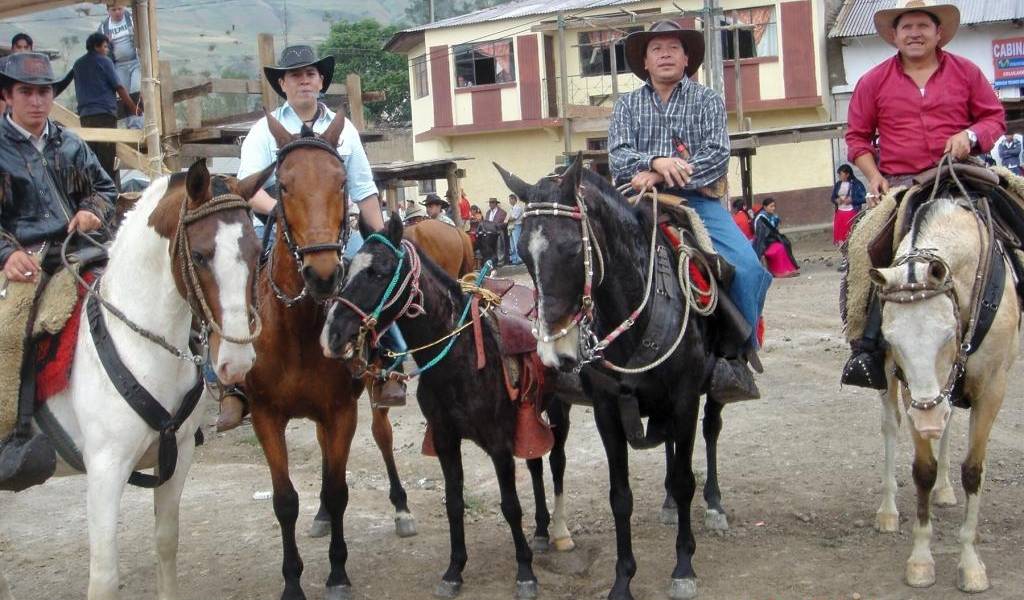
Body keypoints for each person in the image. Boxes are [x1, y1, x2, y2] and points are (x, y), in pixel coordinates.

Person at [229, 45, 400, 425]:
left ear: (321, 81)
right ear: (283, 84)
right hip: (278, 225)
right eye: (295, 75)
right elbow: (249, 186)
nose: (304, 79)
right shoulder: (263, 130)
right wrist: (284, 214)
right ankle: (236, 383)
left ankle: (385, 363)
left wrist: (384, 236)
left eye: (310, 73)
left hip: (335, 233)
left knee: (375, 277)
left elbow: (363, 188)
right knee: (238, 281)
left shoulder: (345, 130)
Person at [842, 0, 1005, 389]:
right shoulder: (873, 81)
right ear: (895, 35)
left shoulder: (967, 72)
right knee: (866, 245)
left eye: (922, 26)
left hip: (962, 175)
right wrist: (873, 176)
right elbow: (857, 138)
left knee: (1015, 213)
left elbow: (993, 118)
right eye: (906, 27)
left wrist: (969, 136)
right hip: (903, 184)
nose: (914, 33)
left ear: (938, 32)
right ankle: (865, 345)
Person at [610, 20, 771, 400]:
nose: (665, 54)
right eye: (656, 49)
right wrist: (655, 160)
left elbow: (716, 155)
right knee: (588, 258)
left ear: (686, 59)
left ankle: (736, 355)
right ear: (645, 62)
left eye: (673, 48)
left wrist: (667, 170)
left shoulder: (708, 100)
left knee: (749, 269)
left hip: (698, 201)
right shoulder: (627, 105)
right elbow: (618, 156)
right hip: (637, 201)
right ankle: (584, 351)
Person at [0, 53, 117, 484]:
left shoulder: (70, 142)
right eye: (26, 92)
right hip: (22, 259)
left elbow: (105, 187)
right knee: (9, 328)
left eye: (44, 91)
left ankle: (176, 411)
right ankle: (9, 433)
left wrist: (91, 210)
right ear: (8, 95)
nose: (36, 100)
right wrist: (5, 254)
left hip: (78, 250)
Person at [73, 32, 140, 184]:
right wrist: (133, 108)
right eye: (105, 46)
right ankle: (108, 190)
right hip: (105, 114)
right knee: (106, 158)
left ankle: (92, 188)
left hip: (85, 116)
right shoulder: (104, 61)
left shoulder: (78, 64)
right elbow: (119, 87)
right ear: (97, 47)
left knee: (91, 155)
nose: (107, 50)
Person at [97, 2, 143, 129]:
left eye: (119, 9)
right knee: (125, 96)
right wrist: (107, 44)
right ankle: (131, 126)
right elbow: (99, 51)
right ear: (108, 11)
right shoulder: (103, 28)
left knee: (136, 91)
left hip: (136, 62)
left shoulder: (133, 20)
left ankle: (139, 124)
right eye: (114, 9)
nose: (117, 12)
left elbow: (146, 34)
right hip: (119, 66)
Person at [753, 199, 799, 278]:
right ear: (765, 207)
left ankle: (789, 269)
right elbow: (762, 236)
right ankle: (779, 271)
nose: (773, 208)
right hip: (764, 243)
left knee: (785, 244)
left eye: (774, 206)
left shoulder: (773, 217)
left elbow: (775, 231)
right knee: (779, 248)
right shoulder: (761, 219)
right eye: (771, 206)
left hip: (772, 241)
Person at [830, 164, 866, 246]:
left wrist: (852, 200)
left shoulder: (857, 184)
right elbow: (832, 197)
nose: (839, 176)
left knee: (850, 235)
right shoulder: (838, 184)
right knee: (840, 237)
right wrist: (836, 200)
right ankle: (844, 256)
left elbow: (864, 198)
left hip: (851, 212)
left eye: (841, 174)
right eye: (838, 174)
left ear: (848, 174)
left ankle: (851, 253)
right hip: (840, 213)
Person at [485, 197, 508, 265]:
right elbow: (486, 222)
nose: (490, 204)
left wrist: (496, 226)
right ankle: (493, 261)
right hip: (489, 233)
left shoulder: (502, 212)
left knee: (499, 247)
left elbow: (505, 223)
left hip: (498, 232)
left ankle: (500, 261)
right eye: (490, 203)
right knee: (490, 248)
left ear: (496, 203)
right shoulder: (488, 212)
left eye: (492, 203)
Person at [506, 193, 524, 265]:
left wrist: (507, 219)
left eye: (510, 199)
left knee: (517, 243)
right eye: (509, 199)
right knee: (512, 244)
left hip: (516, 226)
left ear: (514, 200)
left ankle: (520, 259)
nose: (509, 201)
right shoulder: (511, 208)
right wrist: (507, 219)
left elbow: (513, 218)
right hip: (511, 227)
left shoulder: (518, 208)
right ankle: (514, 259)